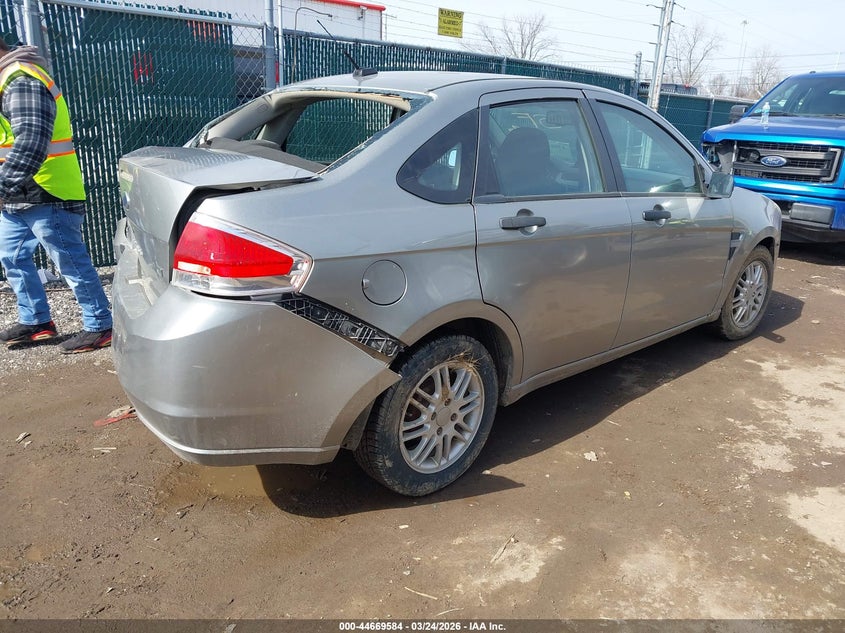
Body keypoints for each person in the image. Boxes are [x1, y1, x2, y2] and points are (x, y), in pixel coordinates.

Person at [0, 39, 112, 353]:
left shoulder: (20, 80)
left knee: (70, 262)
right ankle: (37, 321)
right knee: (12, 257)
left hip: (48, 190)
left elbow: (31, 142)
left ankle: (100, 325)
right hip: (20, 193)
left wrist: (2, 187)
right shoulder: (6, 80)